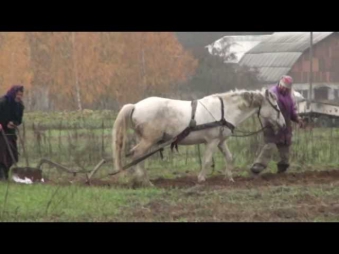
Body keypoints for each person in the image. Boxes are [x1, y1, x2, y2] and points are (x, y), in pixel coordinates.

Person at [250, 75, 304, 175]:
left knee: (285, 147)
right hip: (271, 123)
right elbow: (266, 109)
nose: (284, 89)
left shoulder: (290, 95)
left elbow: (292, 110)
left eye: (287, 88)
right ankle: (258, 166)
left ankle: (282, 168)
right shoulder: (272, 93)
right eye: (283, 86)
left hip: (285, 125)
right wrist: (269, 121)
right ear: (280, 83)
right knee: (270, 145)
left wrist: (297, 118)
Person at [0, 85, 25, 181]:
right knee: (2, 153)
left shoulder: (20, 106)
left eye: (21, 95)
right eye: (18, 94)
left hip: (10, 132)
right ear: (13, 93)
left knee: (11, 154)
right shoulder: (2, 102)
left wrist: (14, 123)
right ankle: (1, 174)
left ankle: (5, 173)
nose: (19, 96)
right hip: (0, 132)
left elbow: (19, 119)